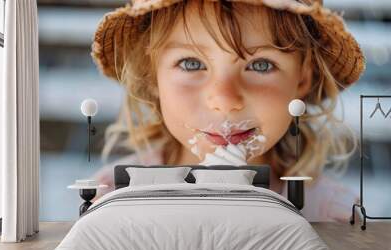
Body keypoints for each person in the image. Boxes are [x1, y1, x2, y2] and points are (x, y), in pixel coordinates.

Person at [89, 0, 365, 222]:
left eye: (260, 65)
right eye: (191, 63)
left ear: (302, 78)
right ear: (152, 75)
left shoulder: (331, 216)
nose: (224, 99)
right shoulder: (114, 197)